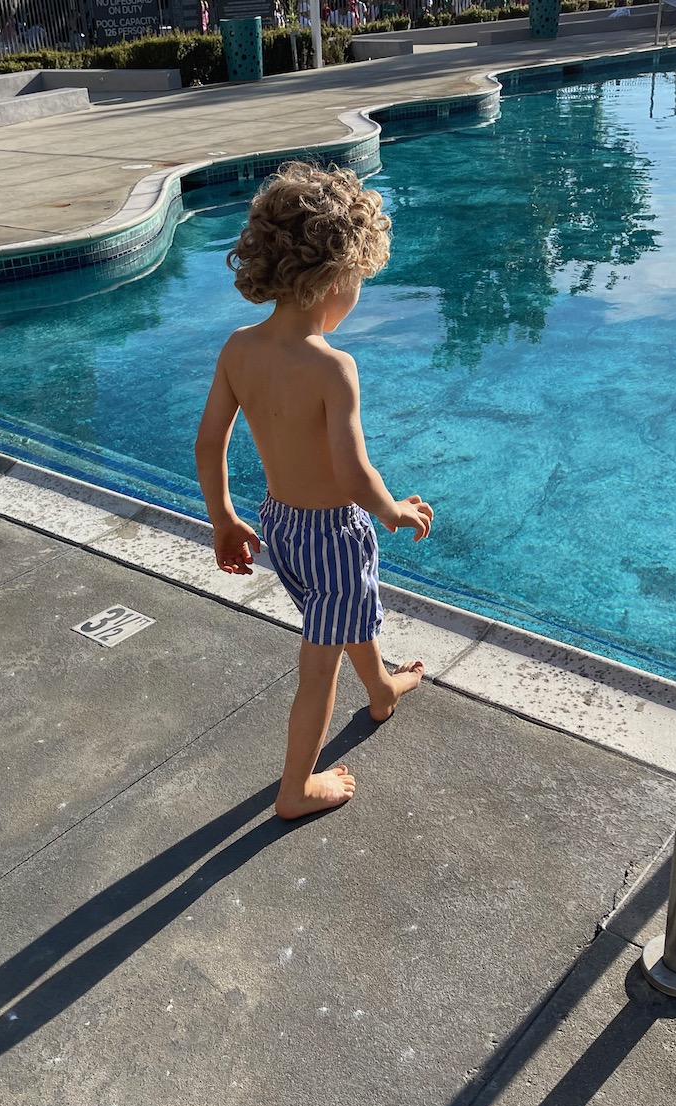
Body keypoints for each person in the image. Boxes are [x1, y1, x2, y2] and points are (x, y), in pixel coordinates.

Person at [195, 163, 434, 820]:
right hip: (332, 535)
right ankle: (296, 785)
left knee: (343, 613)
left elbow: (208, 442)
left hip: (280, 527)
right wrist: (392, 510)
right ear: (336, 282)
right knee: (317, 669)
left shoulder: (239, 348)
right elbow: (354, 475)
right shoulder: (333, 367)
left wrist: (224, 518)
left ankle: (382, 687)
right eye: (358, 283)